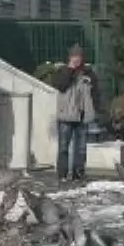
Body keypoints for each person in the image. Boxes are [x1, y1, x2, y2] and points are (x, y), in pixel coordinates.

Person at [54, 44, 99, 182]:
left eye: (79, 56)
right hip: (66, 115)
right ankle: (62, 174)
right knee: (63, 147)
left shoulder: (88, 73)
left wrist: (94, 108)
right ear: (70, 57)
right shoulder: (63, 71)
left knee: (81, 148)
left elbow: (95, 91)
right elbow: (61, 86)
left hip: (82, 115)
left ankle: (78, 173)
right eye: (74, 56)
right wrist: (70, 70)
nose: (77, 59)